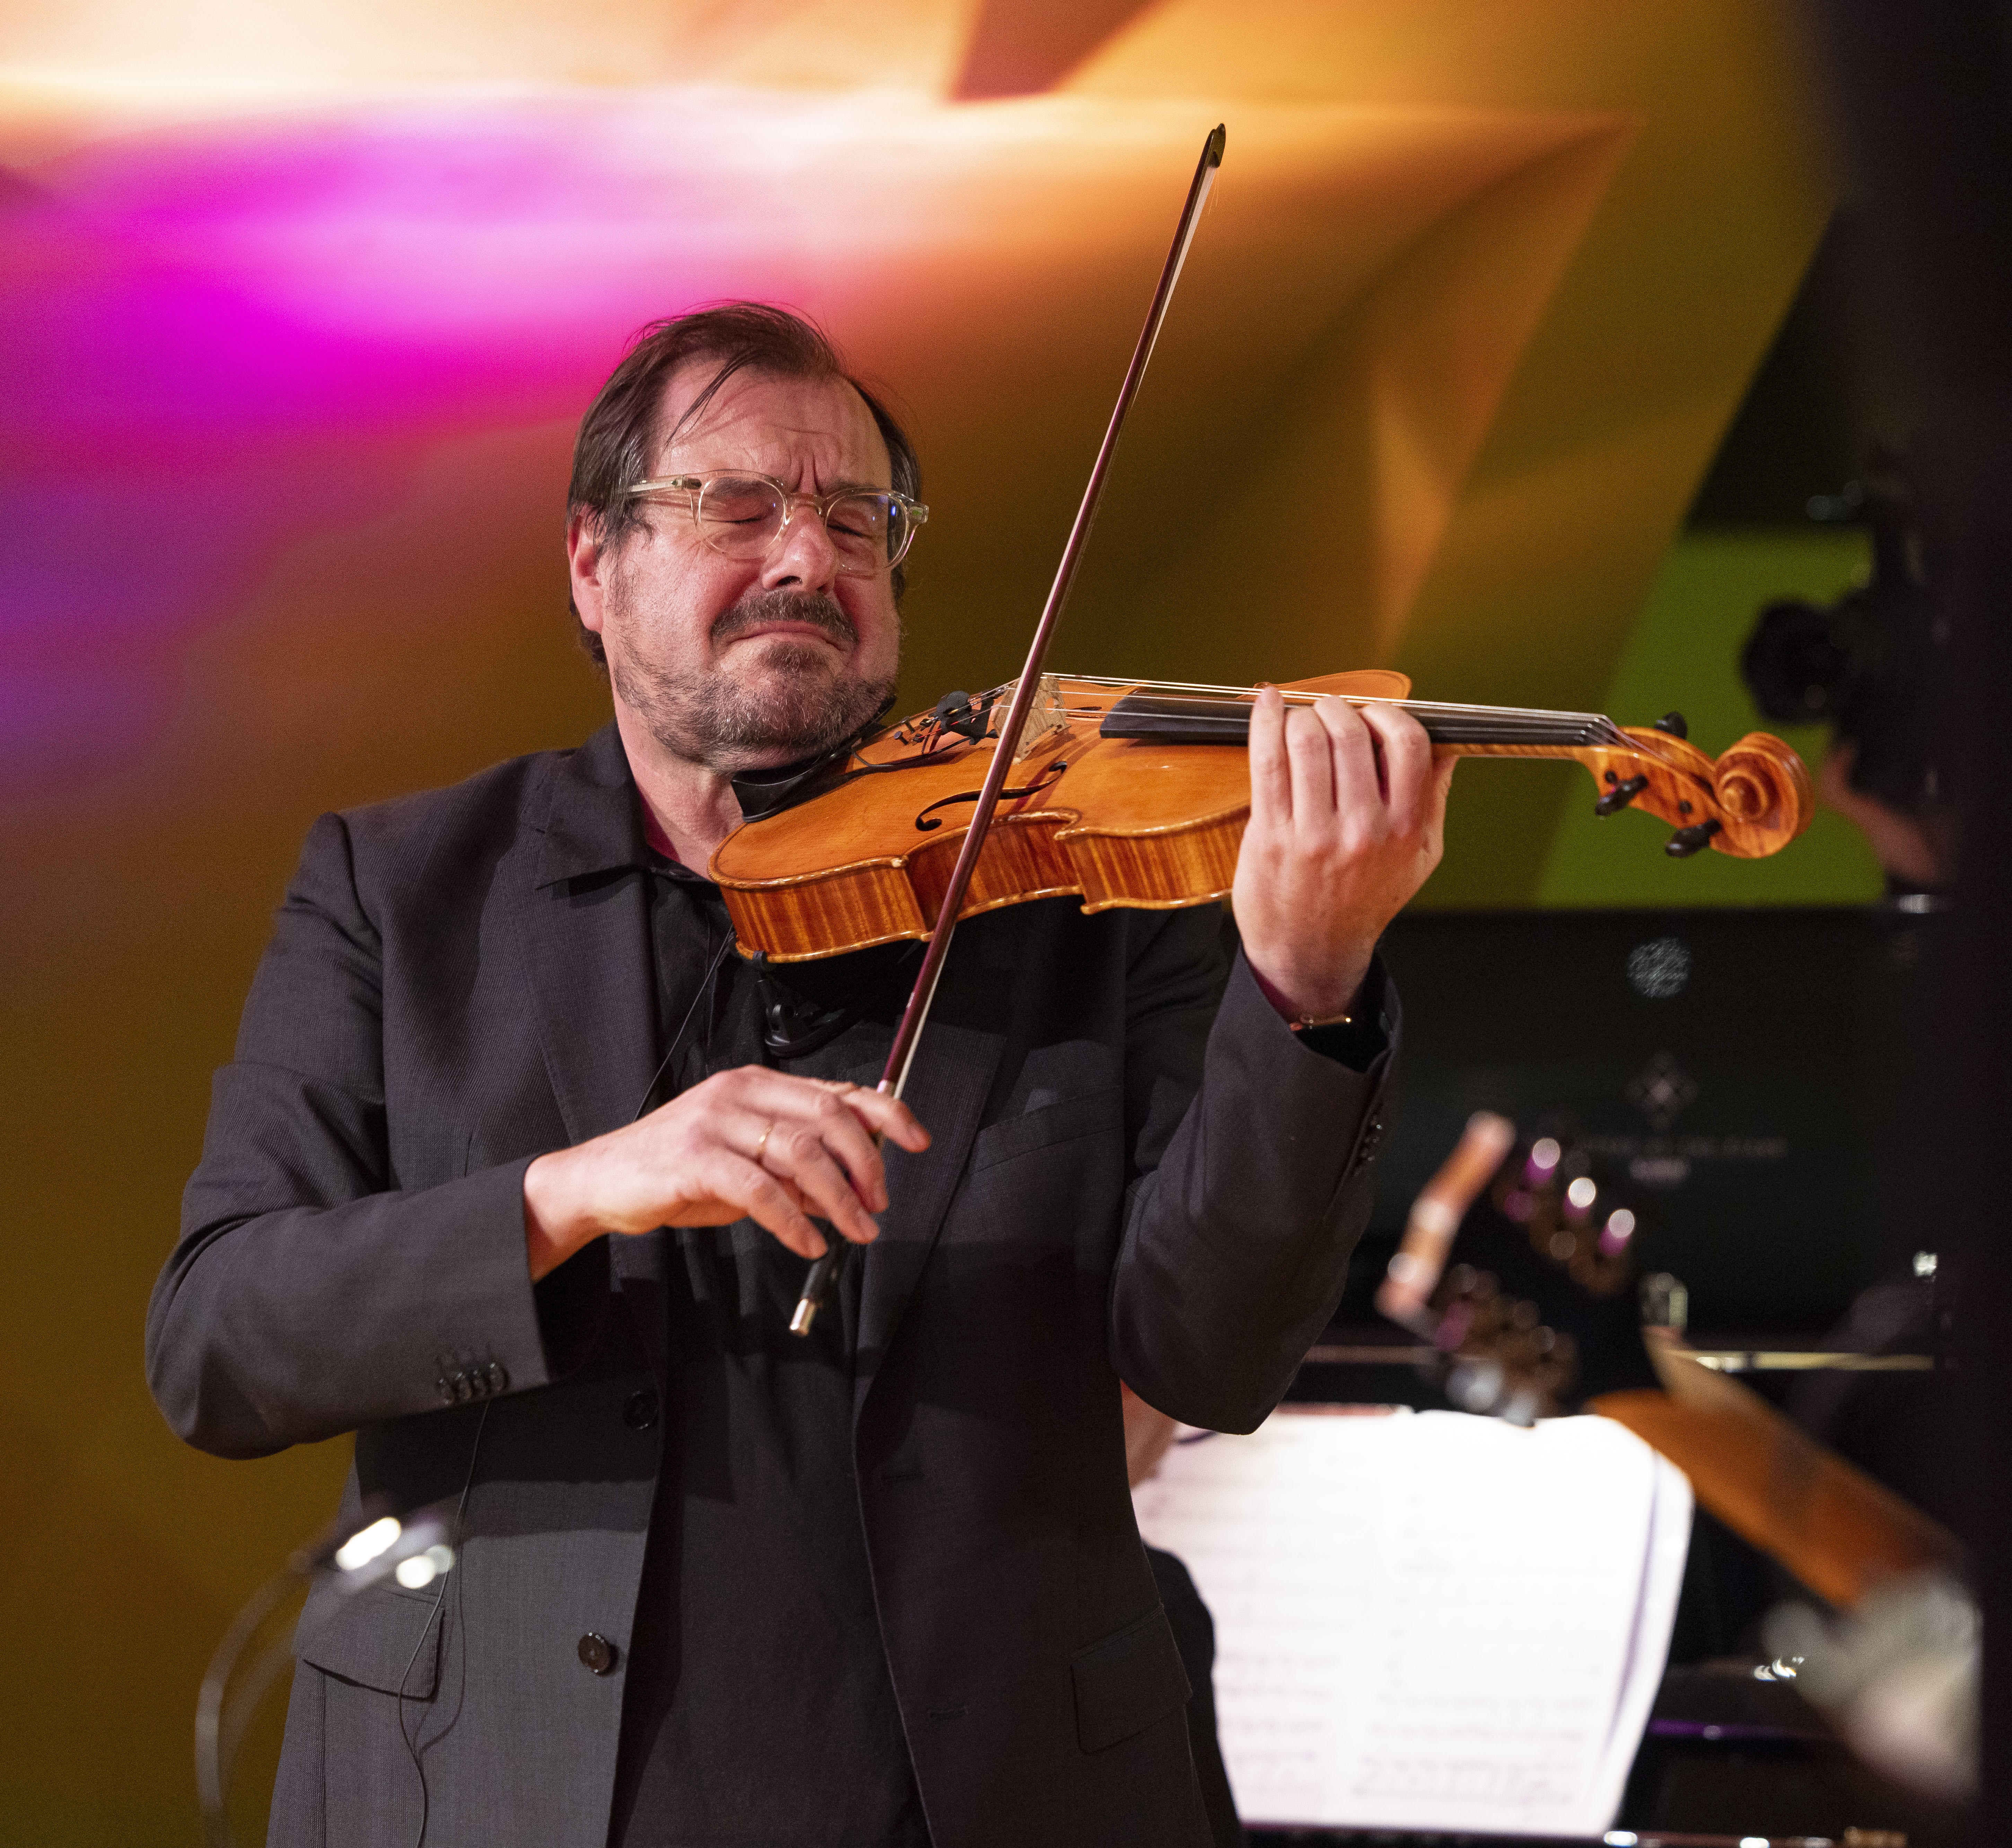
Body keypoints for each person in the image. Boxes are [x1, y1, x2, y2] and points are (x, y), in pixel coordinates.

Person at [146, 303, 1453, 1848]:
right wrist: (570, 1193)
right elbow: (221, 1339)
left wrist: (1304, 987)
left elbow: (1213, 1350)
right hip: (498, 1790)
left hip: (986, 1791)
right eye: (734, 505)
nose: (803, 558)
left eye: (854, 516)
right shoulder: (401, 892)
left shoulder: (1074, 892)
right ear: (593, 560)